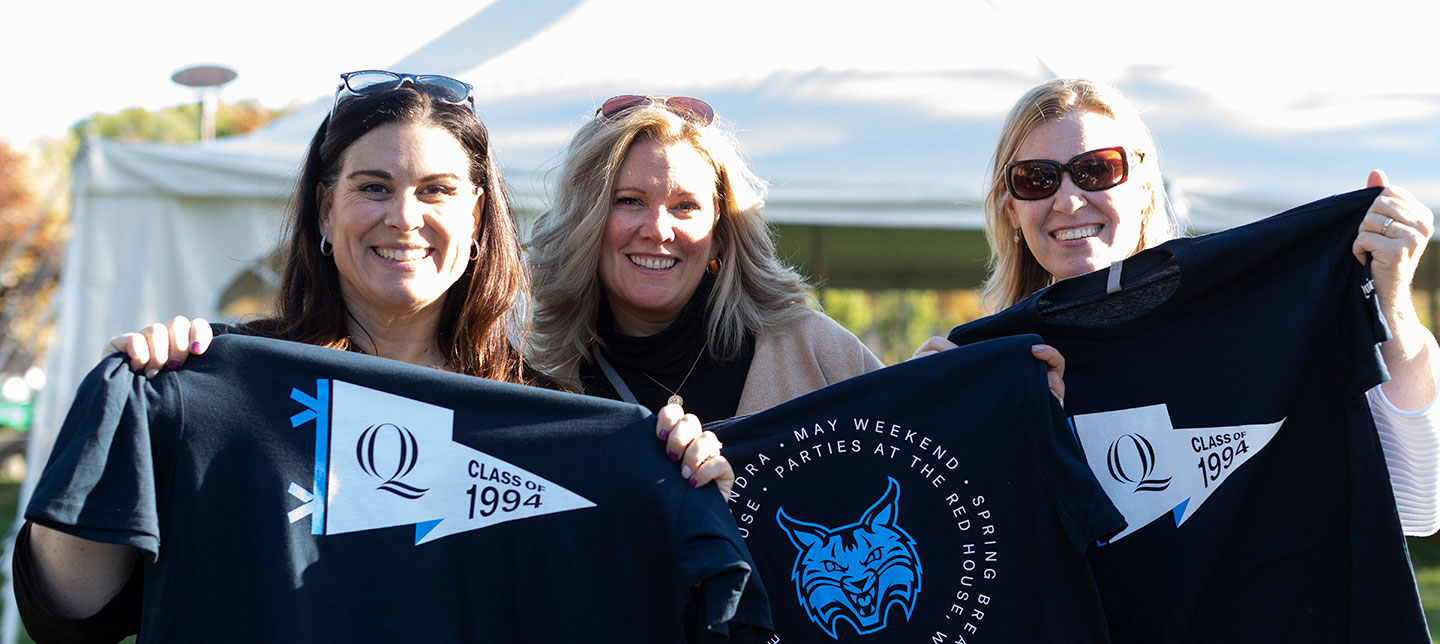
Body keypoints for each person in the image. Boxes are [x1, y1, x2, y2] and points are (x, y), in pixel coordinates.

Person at [21, 72, 725, 641]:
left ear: (478, 218)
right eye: (373, 187)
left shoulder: (561, 428)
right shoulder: (210, 383)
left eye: (436, 190)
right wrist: (131, 415)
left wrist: (685, 486)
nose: (404, 217)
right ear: (325, 212)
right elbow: (68, 610)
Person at [915, 77, 1440, 533]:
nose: (1068, 200)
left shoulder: (1259, 317)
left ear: (1145, 187)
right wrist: (932, 436)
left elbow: (1417, 506)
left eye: (1098, 169)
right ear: (1011, 208)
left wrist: (1392, 305)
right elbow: (963, 563)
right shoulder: (984, 372)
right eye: (1036, 178)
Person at [525, 94, 885, 423]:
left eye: (685, 206)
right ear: (584, 223)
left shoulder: (817, 355)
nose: (658, 230)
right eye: (630, 201)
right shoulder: (540, 384)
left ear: (720, 235)